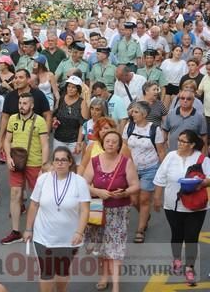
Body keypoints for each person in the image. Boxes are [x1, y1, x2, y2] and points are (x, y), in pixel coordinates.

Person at [23, 146, 90, 292]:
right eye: (57, 160)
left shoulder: (79, 182)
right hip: (43, 235)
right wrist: (28, 228)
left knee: (62, 271)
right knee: (46, 272)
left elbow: (85, 209)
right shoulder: (43, 180)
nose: (60, 163)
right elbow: (34, 204)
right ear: (52, 163)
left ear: (70, 162)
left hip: (69, 237)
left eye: (63, 160)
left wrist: (79, 232)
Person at [84, 130, 139, 292]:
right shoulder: (94, 161)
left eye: (114, 142)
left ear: (119, 145)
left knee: (116, 248)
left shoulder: (125, 162)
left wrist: (125, 192)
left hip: (119, 211)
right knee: (101, 247)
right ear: (102, 143)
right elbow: (83, 183)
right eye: (107, 141)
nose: (110, 144)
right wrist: (97, 192)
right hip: (97, 210)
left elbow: (135, 185)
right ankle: (103, 276)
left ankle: (116, 285)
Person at [154, 130, 210, 286]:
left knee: (192, 237)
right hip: (173, 204)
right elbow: (160, 178)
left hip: (196, 206)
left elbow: (209, 178)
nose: (179, 143)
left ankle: (190, 268)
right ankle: (177, 260)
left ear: (192, 144)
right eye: (178, 140)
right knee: (177, 234)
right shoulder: (171, 156)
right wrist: (157, 198)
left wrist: (200, 183)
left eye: (183, 141)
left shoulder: (201, 159)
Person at [2, 93, 49, 244]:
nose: (21, 106)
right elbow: (7, 140)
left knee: (38, 197)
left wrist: (44, 165)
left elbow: (45, 145)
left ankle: (38, 229)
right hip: (16, 162)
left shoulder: (40, 121)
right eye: (20, 103)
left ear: (32, 105)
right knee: (15, 194)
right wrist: (8, 157)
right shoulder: (13, 119)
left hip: (34, 163)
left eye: (25, 103)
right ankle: (15, 231)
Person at [122, 101, 166, 243]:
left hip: (150, 168)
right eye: (132, 111)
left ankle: (140, 230)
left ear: (144, 114)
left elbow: (160, 151)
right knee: (133, 199)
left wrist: (164, 171)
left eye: (135, 112)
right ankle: (145, 215)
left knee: (144, 199)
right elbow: (124, 148)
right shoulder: (129, 127)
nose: (132, 114)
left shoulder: (154, 129)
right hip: (131, 169)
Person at [53, 76, 89, 165]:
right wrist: (55, 121)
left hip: (74, 140)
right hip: (59, 139)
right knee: (58, 164)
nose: (70, 89)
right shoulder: (61, 99)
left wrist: (79, 143)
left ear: (78, 89)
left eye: (73, 87)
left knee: (75, 165)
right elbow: (55, 115)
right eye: (69, 86)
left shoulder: (82, 103)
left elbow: (83, 124)